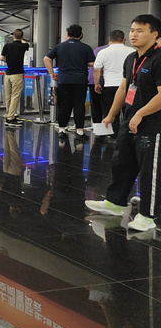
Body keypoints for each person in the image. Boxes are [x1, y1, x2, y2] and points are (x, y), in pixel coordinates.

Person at [86, 15, 161, 232]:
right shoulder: (131, 58)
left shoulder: (158, 59)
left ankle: (147, 215)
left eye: (140, 31)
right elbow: (124, 87)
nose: (134, 34)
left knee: (149, 172)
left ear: (154, 34)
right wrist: (111, 115)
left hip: (152, 125)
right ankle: (115, 202)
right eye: (132, 30)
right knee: (122, 163)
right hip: (129, 121)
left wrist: (141, 114)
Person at [44, 24, 95, 136]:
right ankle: (79, 131)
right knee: (79, 105)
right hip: (80, 80)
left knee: (64, 105)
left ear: (67, 34)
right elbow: (92, 63)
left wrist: (52, 73)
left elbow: (46, 58)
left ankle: (62, 129)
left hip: (64, 80)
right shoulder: (86, 48)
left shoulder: (59, 46)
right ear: (81, 35)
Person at [93, 30, 135, 137]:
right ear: (124, 39)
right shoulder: (132, 51)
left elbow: (97, 70)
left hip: (109, 86)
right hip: (128, 86)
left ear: (109, 39)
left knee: (110, 111)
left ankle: (113, 134)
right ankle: (128, 133)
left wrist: (97, 84)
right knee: (128, 111)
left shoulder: (103, 52)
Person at [0, 30, 30, 127]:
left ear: (13, 36)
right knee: (15, 96)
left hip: (8, 74)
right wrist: (22, 39)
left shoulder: (7, 46)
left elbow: (1, 58)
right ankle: (10, 118)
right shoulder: (23, 46)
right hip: (17, 74)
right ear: (22, 36)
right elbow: (26, 44)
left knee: (8, 96)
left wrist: (8, 61)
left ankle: (9, 115)